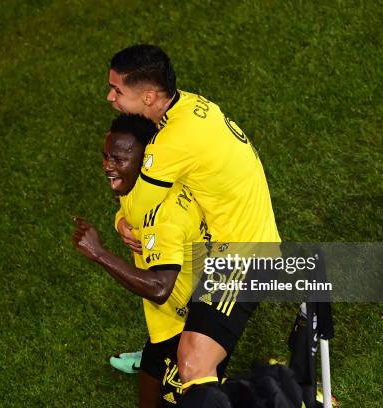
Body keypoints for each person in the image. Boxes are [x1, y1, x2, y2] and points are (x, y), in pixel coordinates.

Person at [105, 44, 281, 402]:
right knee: (183, 342)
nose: (110, 97)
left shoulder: (170, 142)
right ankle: (164, 353)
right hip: (224, 242)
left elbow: (138, 208)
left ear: (150, 96)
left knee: (193, 367)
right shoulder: (188, 105)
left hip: (242, 258)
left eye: (117, 90)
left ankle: (285, 391)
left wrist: (120, 220)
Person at [73, 113, 222, 407]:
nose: (107, 166)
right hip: (170, 314)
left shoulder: (163, 217)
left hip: (187, 321)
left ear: (145, 159)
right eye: (106, 156)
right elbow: (125, 207)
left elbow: (159, 287)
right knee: (153, 367)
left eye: (118, 159)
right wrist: (120, 222)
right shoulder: (140, 183)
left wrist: (99, 253)